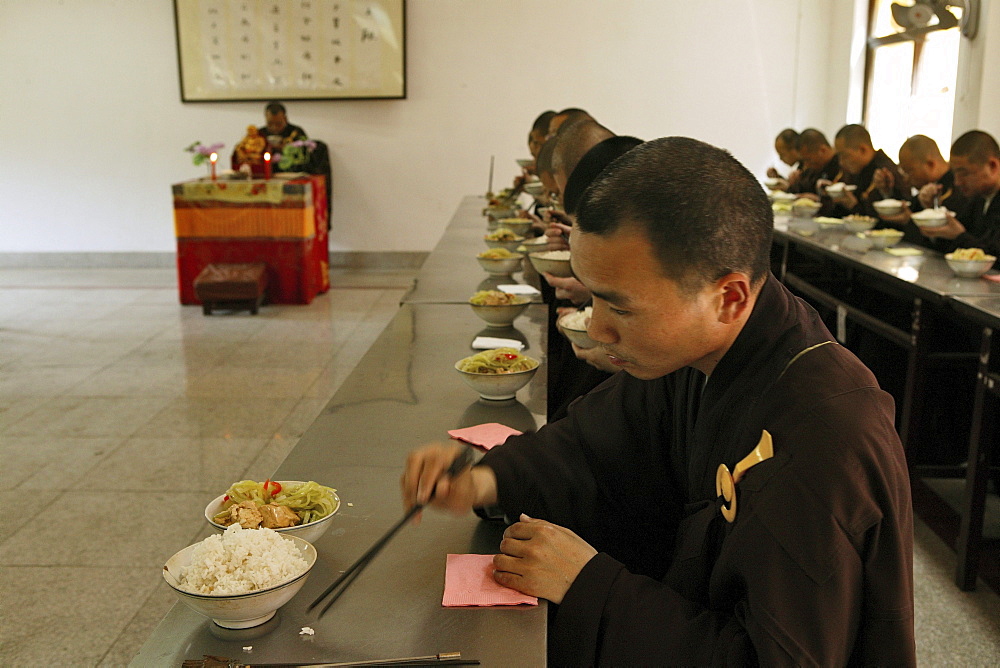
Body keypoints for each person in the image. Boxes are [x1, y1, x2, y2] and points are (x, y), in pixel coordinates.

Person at [402, 137, 915, 665]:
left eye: (620, 308)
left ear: (729, 297)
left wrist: (588, 584)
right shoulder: (699, 351)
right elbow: (594, 444)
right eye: (592, 294)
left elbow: (773, 658)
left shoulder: (825, 437)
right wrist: (485, 480)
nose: (596, 327)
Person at [880, 134, 971, 248]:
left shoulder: (959, 190)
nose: (906, 178)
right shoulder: (926, 188)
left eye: (909, 171)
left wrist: (911, 221)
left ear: (930, 164)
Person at [919, 130, 1000, 256]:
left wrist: (959, 236)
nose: (957, 182)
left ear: (992, 166)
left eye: (964, 173)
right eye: (955, 174)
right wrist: (934, 215)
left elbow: (994, 256)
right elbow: (948, 250)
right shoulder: (976, 199)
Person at [828, 124, 909, 219]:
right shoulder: (855, 169)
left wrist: (854, 206)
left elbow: (883, 219)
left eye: (845, 156)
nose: (841, 162)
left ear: (863, 150)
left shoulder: (885, 172)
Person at [787, 128, 840, 196]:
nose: (806, 165)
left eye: (808, 159)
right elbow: (805, 189)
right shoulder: (814, 168)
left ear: (822, 150)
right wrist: (795, 182)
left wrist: (818, 200)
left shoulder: (841, 166)